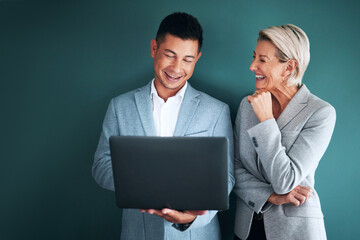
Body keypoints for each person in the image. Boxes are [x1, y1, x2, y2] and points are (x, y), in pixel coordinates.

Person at [92, 12, 234, 240]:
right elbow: (100, 166)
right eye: (170, 55)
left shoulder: (217, 111)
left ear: (197, 58)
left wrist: (193, 218)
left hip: (197, 234)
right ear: (153, 48)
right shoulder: (120, 106)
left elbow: (226, 179)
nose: (177, 68)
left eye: (188, 59)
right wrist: (144, 184)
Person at [233, 24, 336, 240]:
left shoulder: (321, 113)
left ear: (289, 67)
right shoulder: (246, 105)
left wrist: (266, 121)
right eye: (254, 57)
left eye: (262, 60)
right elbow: (235, 169)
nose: (252, 66)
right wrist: (270, 196)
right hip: (246, 229)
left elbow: (285, 181)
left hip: (295, 232)